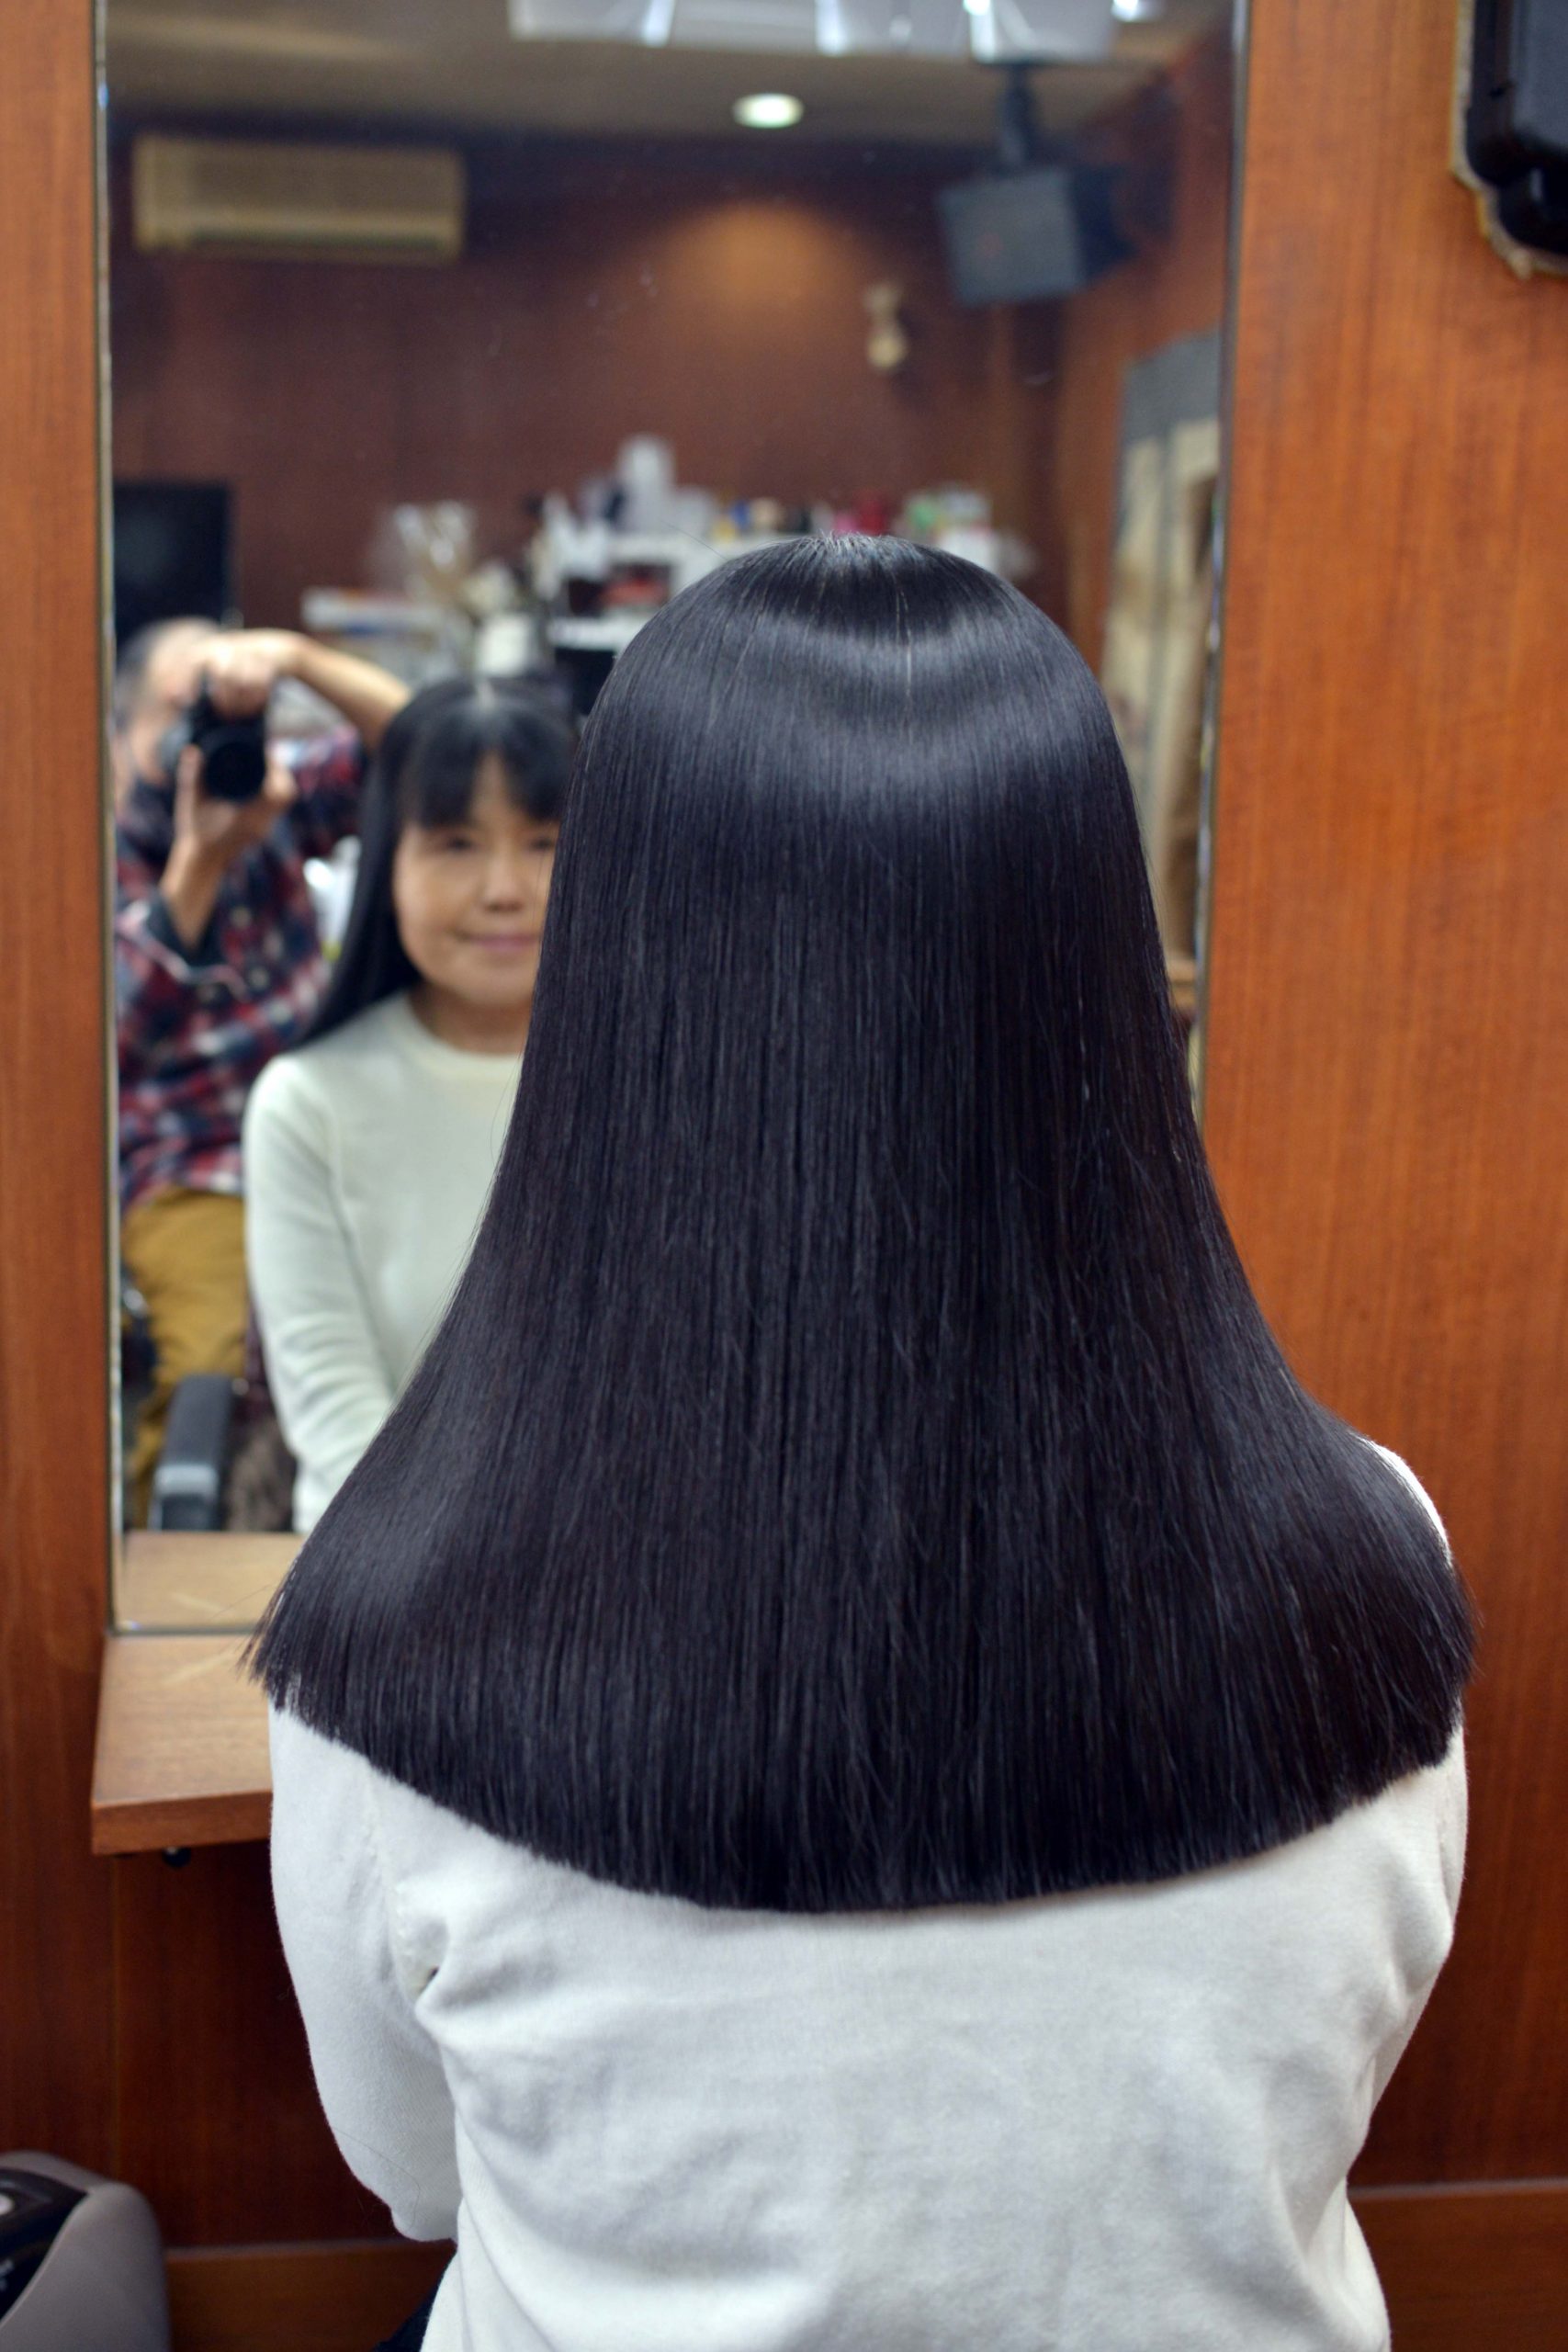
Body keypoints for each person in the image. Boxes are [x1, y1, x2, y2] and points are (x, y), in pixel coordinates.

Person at [254, 539, 1471, 2352]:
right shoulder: (1375, 1552)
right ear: (1100, 972)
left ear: (614, 985)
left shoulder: (391, 1630)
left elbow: (416, 2176)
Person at [243, 680, 574, 1533]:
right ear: (386, 860)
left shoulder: (663, 1083)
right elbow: (338, 1423)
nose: (504, 889)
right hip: (375, 1575)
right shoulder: (307, 1105)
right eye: (457, 843)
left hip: (620, 1582)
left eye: (544, 842)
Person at [114, 621, 410, 1522]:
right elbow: (110, 1037)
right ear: (129, 725)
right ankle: (169, 1560)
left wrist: (292, 659)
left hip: (334, 1137)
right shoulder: (88, 839)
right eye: (187, 711)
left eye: (225, 709)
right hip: (197, 1164)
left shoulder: (270, 792)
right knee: (207, 1363)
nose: (208, 740)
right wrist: (200, 861)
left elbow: (422, 744)